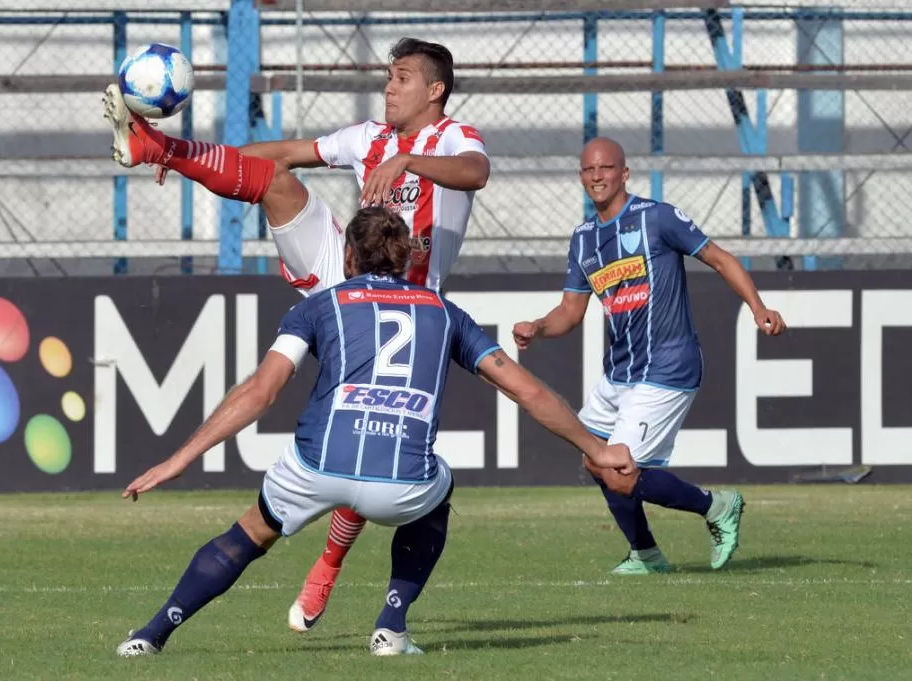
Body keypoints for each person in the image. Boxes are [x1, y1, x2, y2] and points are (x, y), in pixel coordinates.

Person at [115, 207, 635, 658]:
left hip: (316, 467)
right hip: (402, 486)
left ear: (348, 258)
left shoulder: (318, 306)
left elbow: (260, 392)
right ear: (406, 259)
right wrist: (596, 448)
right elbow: (530, 392)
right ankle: (391, 626)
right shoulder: (446, 313)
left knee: (248, 535)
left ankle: (152, 634)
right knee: (440, 490)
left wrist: (179, 459)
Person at [104, 37, 491, 631]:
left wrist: (408, 163)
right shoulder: (368, 138)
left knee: (373, 445)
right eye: (389, 75)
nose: (390, 86)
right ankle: (154, 143)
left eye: (404, 77)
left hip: (413, 302)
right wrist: (182, 157)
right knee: (276, 183)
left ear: (435, 90)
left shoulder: (455, 141)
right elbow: (282, 153)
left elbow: (476, 174)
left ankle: (329, 564)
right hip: (348, 276)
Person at [513, 137, 787, 575]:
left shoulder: (656, 218)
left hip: (668, 364)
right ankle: (646, 554)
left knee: (620, 470)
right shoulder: (584, 240)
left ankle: (717, 505)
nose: (596, 176)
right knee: (593, 456)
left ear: (624, 173)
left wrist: (758, 307)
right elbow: (570, 311)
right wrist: (538, 327)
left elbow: (719, 258)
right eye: (588, 170)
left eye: (605, 168)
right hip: (621, 371)